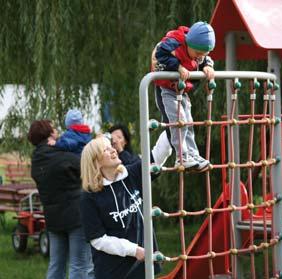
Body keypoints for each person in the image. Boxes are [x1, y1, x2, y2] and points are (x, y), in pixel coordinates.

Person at [80, 135, 168, 279]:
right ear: (96, 162)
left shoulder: (131, 174)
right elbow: (98, 239)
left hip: (142, 266)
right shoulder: (89, 196)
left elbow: (157, 155)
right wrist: (134, 250)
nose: (113, 150)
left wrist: (172, 126)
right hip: (113, 271)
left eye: (111, 147)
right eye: (106, 150)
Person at [28, 120, 92, 279]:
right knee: (79, 264)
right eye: (54, 128)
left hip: (53, 219)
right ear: (49, 133)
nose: (57, 130)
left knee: (56, 264)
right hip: (76, 217)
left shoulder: (36, 160)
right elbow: (85, 167)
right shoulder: (62, 156)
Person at [151, 21, 216, 170]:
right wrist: (177, 66)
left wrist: (207, 66)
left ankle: (192, 154)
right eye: (198, 54)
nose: (199, 57)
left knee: (188, 122)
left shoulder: (199, 52)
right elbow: (159, 53)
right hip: (166, 89)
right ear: (189, 43)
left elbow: (205, 59)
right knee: (179, 121)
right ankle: (181, 157)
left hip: (181, 91)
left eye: (203, 54)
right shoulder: (175, 42)